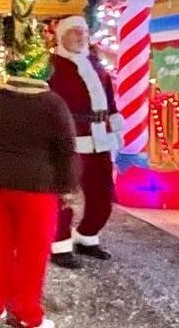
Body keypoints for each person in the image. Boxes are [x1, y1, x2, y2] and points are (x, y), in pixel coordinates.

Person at [0, 58, 77, 328]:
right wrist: (66, 186)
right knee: (32, 254)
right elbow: (66, 150)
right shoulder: (53, 104)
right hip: (37, 188)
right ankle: (28, 313)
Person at [48, 15, 124, 265]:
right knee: (65, 195)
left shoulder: (95, 63)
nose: (81, 37)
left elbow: (109, 97)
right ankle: (60, 246)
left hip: (100, 140)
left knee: (103, 194)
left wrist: (115, 121)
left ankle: (87, 237)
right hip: (69, 140)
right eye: (74, 32)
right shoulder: (51, 65)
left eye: (84, 32)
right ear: (62, 36)